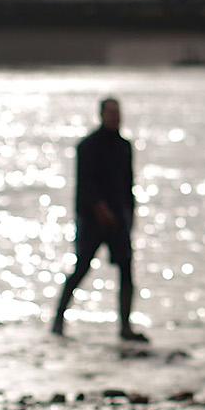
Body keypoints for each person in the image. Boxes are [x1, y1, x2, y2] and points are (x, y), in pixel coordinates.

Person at [53, 97, 145, 341]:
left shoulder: (124, 146)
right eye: (111, 113)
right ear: (101, 115)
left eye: (118, 113)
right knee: (81, 267)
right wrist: (100, 209)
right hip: (92, 219)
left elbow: (128, 185)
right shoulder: (88, 146)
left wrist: (130, 215)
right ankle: (58, 319)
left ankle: (125, 327)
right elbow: (86, 185)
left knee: (126, 270)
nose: (116, 117)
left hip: (119, 219)